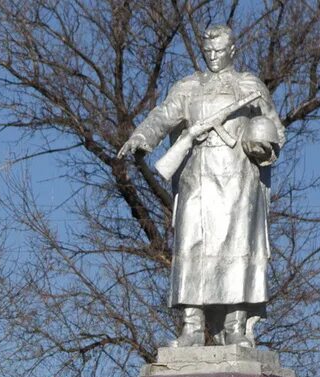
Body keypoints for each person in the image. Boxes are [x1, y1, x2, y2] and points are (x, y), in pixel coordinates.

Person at [118, 24, 285, 348]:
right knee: (191, 244)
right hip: (197, 177)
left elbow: (275, 128)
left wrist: (266, 147)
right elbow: (162, 115)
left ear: (232, 51)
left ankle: (235, 325)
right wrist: (141, 137)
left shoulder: (248, 85)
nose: (213, 56)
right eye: (208, 51)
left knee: (238, 248)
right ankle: (191, 326)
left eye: (219, 51)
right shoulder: (188, 87)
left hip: (238, 179)